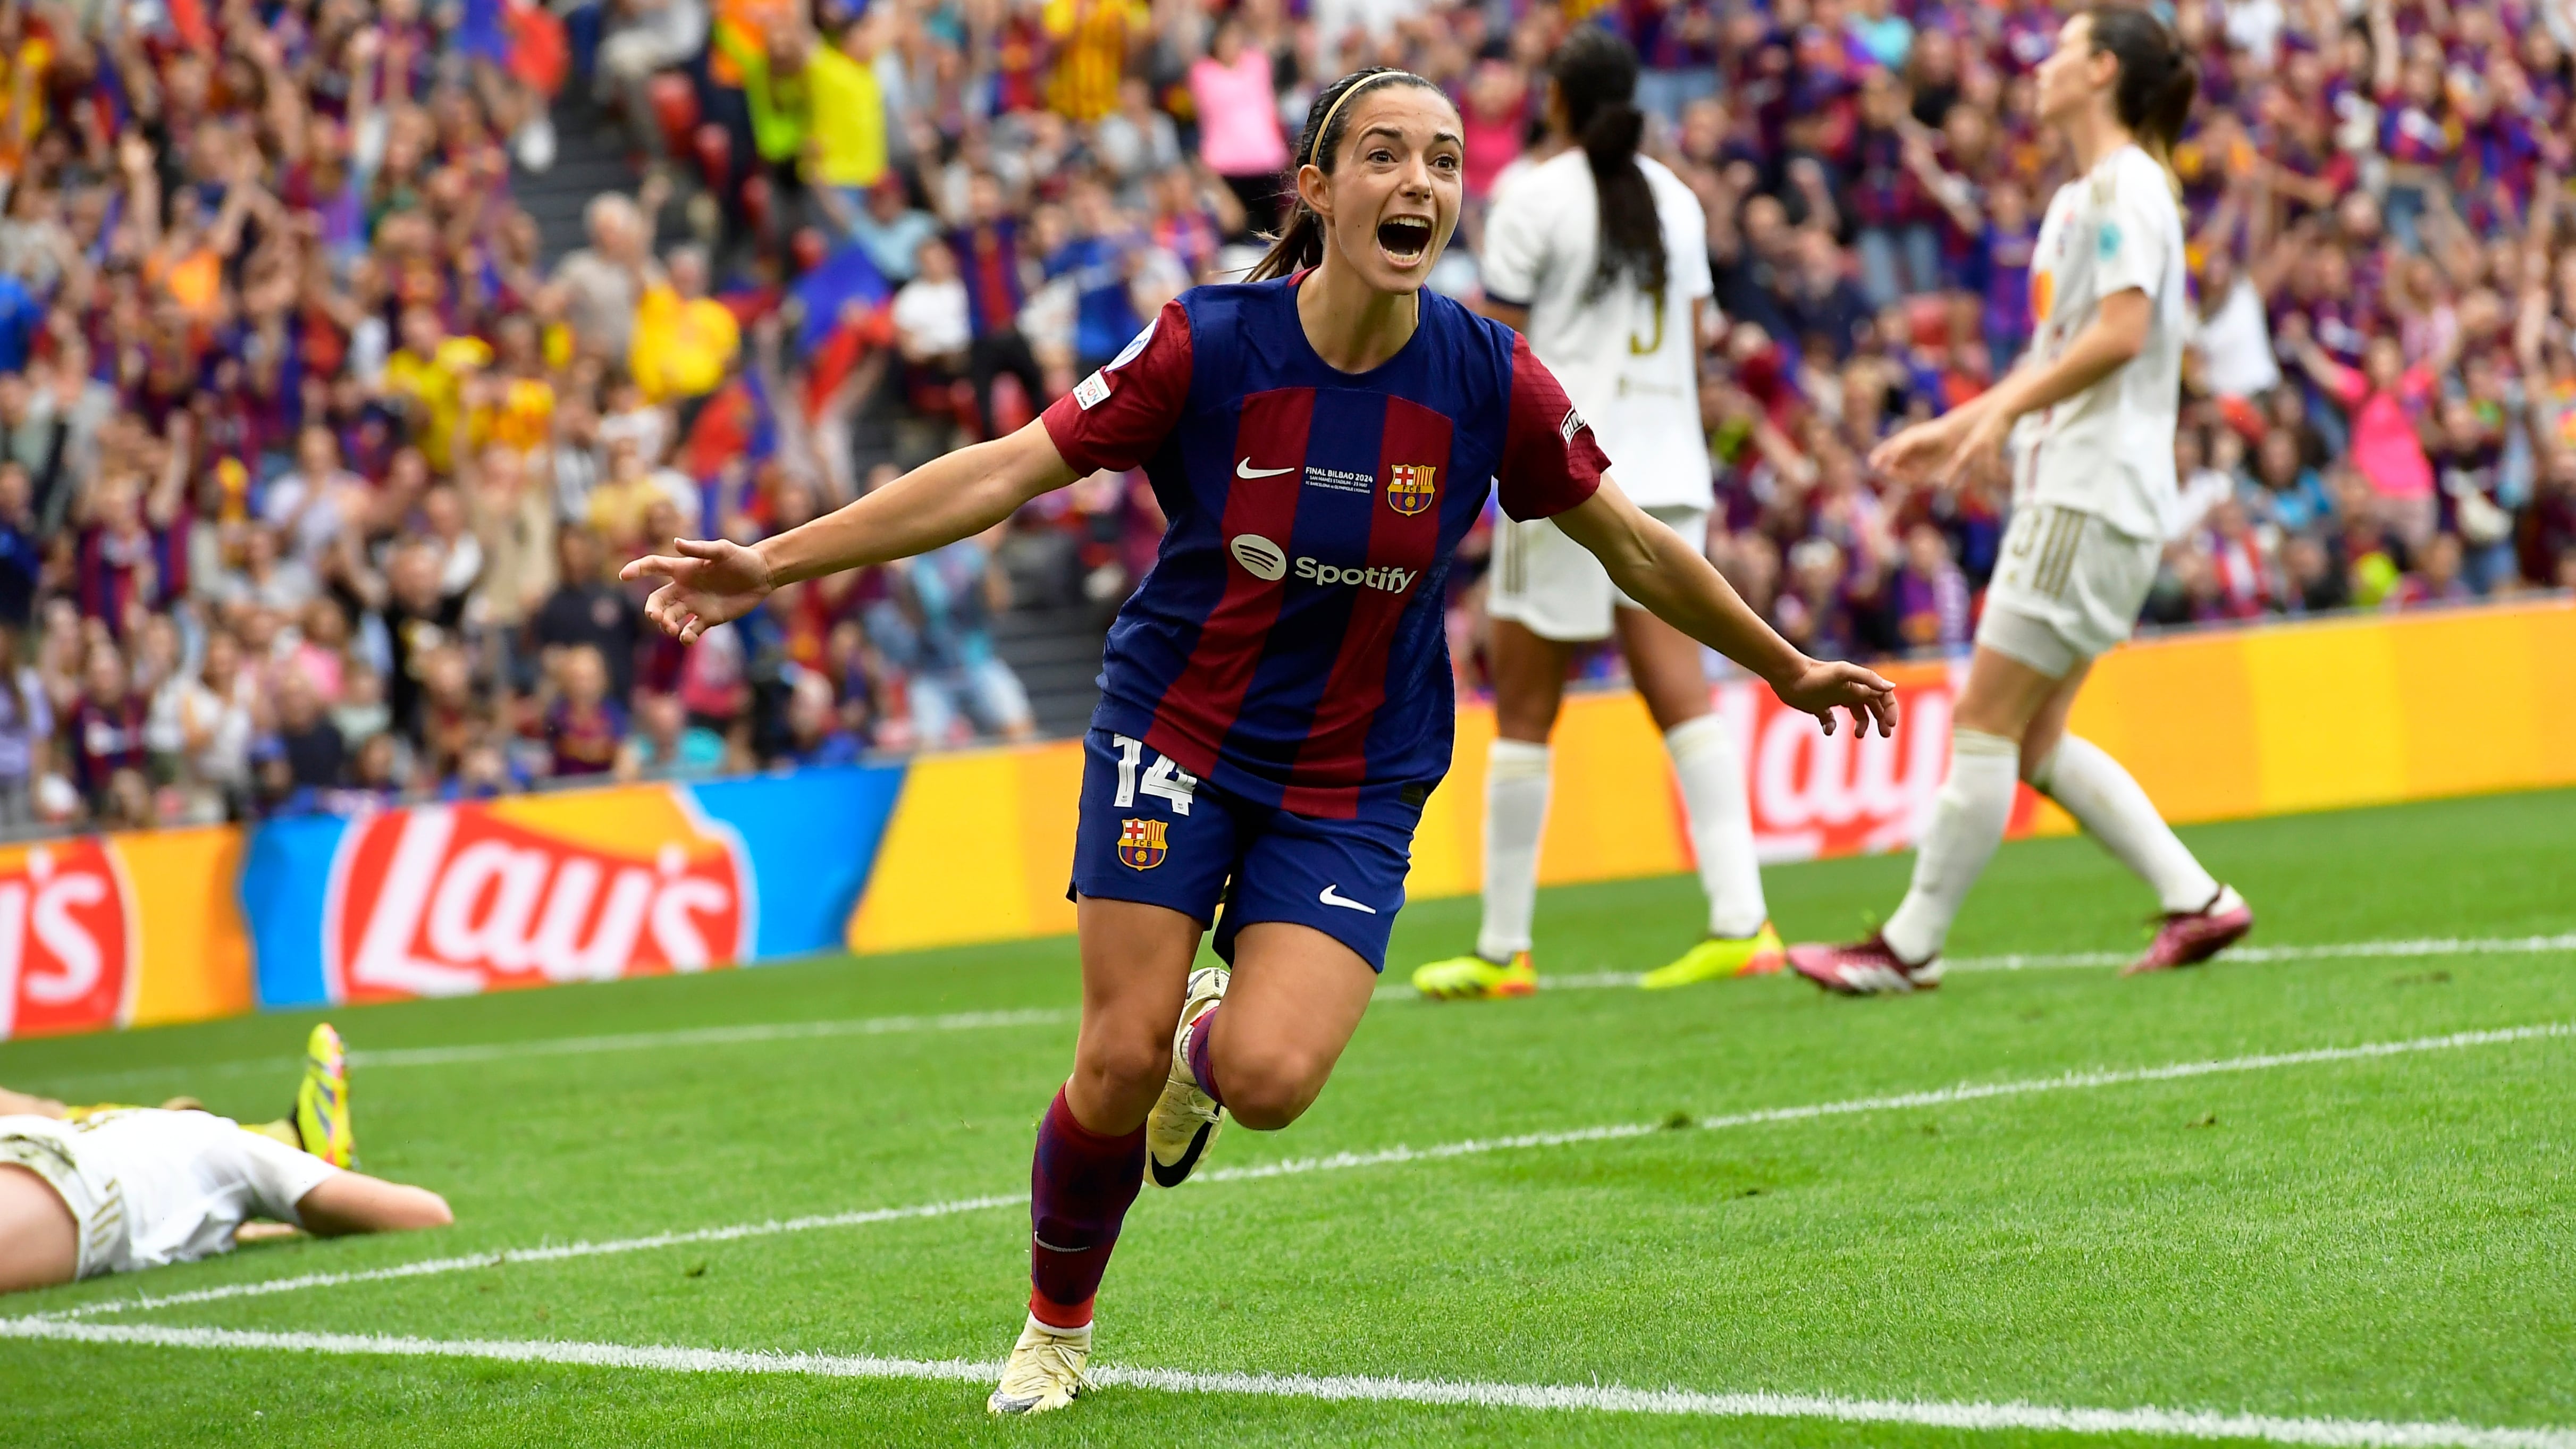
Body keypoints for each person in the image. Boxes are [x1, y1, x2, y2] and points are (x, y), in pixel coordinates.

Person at [624, 66, 1895, 1417]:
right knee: (1110, 1058)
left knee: (1272, 1080)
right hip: (1176, 727)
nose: (1420, 183)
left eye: (1446, 162)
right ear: (1317, 190)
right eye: (1387, 157)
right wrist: (771, 562)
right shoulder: (1206, 344)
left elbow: (1635, 543)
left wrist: (1786, 664)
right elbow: (1001, 468)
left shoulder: (1486, 377)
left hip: (1355, 772)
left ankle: (1203, 1058)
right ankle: (1057, 1327)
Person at [1788, 8, 2252, 995]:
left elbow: (2122, 333)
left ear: (2104, 71)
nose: (2041, 67)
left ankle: (1909, 945)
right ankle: (2198, 898)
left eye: (2064, 49)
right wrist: (1977, 426)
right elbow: (2070, 352)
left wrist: (1988, 415)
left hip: (2088, 496)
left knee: (1985, 720)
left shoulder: (2127, 186)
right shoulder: (2094, 194)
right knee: (2034, 739)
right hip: (2090, 491)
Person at [1410, 31, 1780, 1002]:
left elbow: (1500, 341)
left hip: (1570, 468)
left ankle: (1502, 946)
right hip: (1671, 467)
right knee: (1681, 693)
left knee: (1527, 704)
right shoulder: (1676, 195)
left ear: (1559, 100)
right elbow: (1696, 336)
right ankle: (1743, 920)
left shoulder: (1535, 194)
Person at [0, 1025, 453, 1294]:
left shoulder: (99, 1125)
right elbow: (425, 1212)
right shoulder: (218, 1142)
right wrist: (308, 1216)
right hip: (70, 1180)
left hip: (50, 1162)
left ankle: (296, 1137)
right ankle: (298, 1139)